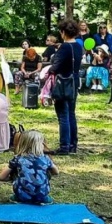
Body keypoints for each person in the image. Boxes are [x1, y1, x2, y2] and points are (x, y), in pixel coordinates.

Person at [47, 18, 83, 155]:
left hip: (63, 82)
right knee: (71, 114)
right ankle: (73, 145)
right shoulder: (79, 46)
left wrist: (50, 66)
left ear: (63, 32)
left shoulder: (65, 47)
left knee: (63, 114)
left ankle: (64, 146)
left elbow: (55, 67)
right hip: (74, 81)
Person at [0, 130, 59, 205]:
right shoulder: (46, 159)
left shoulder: (18, 159)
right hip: (42, 196)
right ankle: (43, 198)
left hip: (21, 196)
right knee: (45, 172)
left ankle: (17, 198)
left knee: (18, 172)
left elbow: (2, 177)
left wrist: (12, 178)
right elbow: (56, 172)